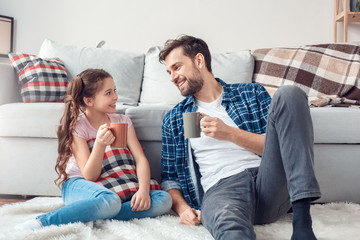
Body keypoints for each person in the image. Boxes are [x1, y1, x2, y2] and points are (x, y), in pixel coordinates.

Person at [158, 35, 321, 240]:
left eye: (177, 67)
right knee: (231, 230)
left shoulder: (251, 94)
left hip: (268, 183)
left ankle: (303, 224)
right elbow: (170, 178)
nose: (172, 77)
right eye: (169, 72)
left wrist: (230, 134)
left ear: (199, 61)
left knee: (290, 94)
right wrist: (183, 209)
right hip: (222, 190)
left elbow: (282, 149)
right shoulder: (176, 118)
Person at [14, 69, 172, 230]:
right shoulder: (78, 127)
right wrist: (100, 145)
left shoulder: (123, 121)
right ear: (89, 101)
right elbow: (89, 176)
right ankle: (43, 221)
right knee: (111, 201)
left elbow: (140, 159)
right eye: (108, 93)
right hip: (80, 185)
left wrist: (143, 191)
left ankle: (93, 214)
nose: (115, 97)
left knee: (163, 199)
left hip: (117, 184)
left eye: (115, 91)